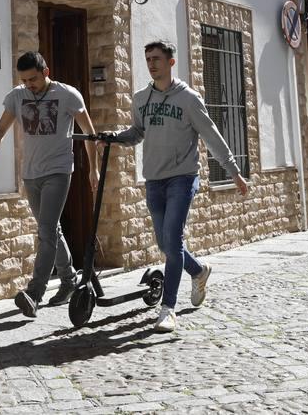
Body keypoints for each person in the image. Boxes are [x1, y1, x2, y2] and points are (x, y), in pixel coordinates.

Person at [103, 39, 249, 333]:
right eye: (148, 59)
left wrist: (233, 170)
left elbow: (211, 135)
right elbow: (137, 133)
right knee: (167, 244)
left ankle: (167, 309)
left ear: (171, 62)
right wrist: (116, 137)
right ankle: (198, 270)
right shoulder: (142, 98)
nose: (151, 64)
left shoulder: (189, 98)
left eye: (156, 58)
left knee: (172, 239)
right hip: (154, 179)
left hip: (183, 178)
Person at [0, 51, 99, 318]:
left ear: (46, 72)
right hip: (30, 174)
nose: (29, 85)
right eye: (24, 80)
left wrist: (93, 169)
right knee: (50, 231)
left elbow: (90, 134)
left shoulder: (68, 95)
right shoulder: (17, 96)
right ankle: (69, 280)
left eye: (33, 79)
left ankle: (35, 293)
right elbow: (0, 129)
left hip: (58, 171)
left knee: (46, 231)